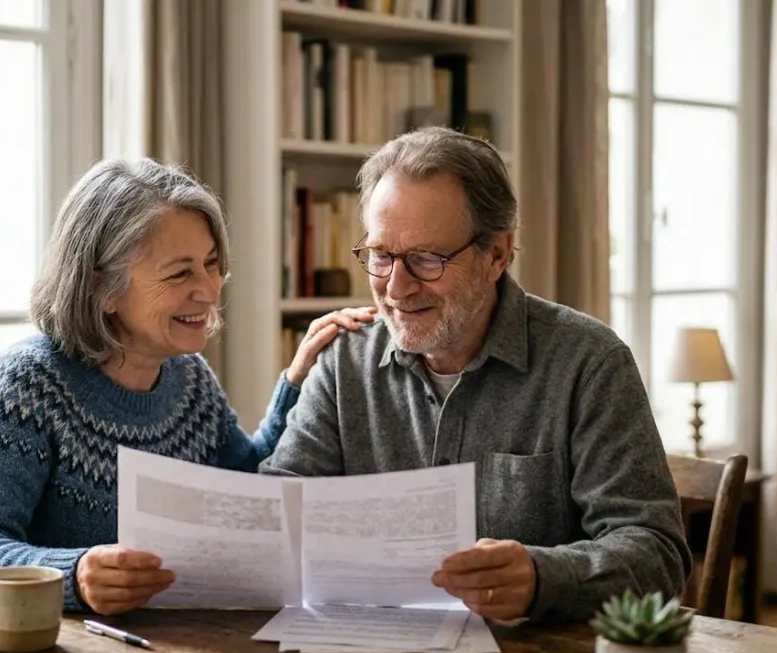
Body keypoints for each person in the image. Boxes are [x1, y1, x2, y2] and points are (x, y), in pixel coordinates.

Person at [259, 127, 691, 624]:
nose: (396, 288)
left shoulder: (589, 363)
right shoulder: (343, 362)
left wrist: (542, 577)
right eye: (381, 256)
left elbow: (657, 554)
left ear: (497, 255)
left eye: (426, 259)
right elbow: (278, 519)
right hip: (369, 649)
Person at [0, 158, 375, 617]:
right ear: (103, 288)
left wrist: (296, 381)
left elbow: (244, 489)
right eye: (180, 273)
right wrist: (74, 576)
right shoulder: (27, 385)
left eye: (211, 264)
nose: (210, 290)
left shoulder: (189, 379)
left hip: (97, 644)